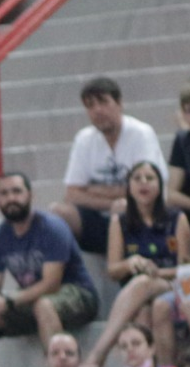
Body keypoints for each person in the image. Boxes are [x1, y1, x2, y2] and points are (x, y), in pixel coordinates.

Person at [0, 172, 97, 367]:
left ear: (30, 195)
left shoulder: (51, 228)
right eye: (4, 193)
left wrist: (8, 301)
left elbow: (51, 284)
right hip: (32, 300)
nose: (11, 198)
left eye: (17, 191)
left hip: (77, 294)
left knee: (44, 304)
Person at [52, 76, 165, 249]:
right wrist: (112, 201)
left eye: (103, 102)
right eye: (90, 106)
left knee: (123, 208)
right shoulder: (84, 139)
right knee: (58, 212)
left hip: (137, 214)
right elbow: (72, 194)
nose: (97, 110)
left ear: (119, 103)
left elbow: (145, 187)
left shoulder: (141, 133)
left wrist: (92, 190)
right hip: (98, 216)